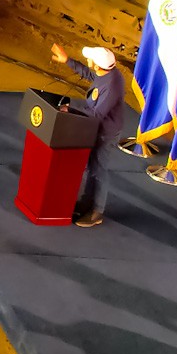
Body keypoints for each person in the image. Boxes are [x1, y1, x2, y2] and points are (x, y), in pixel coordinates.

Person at [48, 43, 128, 228]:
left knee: (99, 169)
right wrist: (67, 61)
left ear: (98, 65)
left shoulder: (112, 85)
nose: (88, 61)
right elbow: (90, 75)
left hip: (106, 133)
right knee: (92, 167)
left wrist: (70, 109)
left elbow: (96, 114)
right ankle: (86, 202)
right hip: (96, 129)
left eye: (90, 60)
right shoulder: (107, 73)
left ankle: (96, 211)